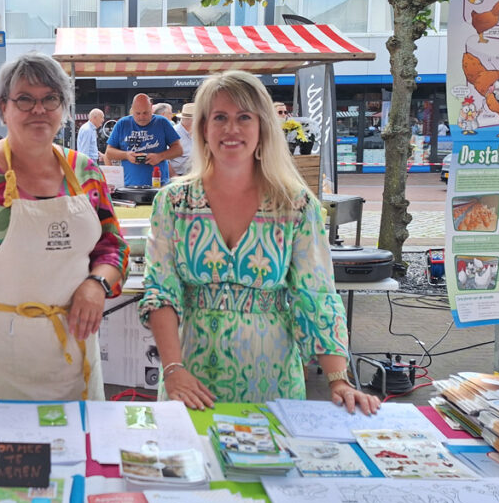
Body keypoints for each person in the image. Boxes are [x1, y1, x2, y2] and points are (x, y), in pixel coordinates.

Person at [140, 70, 378, 415]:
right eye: (219, 117)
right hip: (190, 379)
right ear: (203, 128)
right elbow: (160, 291)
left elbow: (316, 296)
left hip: (272, 382)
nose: (231, 129)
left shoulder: (295, 205)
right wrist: (173, 370)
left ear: (263, 127)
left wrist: (339, 380)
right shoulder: (174, 202)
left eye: (244, 118)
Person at [0, 52, 129, 401]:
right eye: (25, 99)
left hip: (73, 361)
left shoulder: (86, 173)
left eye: (50, 99)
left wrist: (96, 284)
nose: (39, 110)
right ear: (3, 107)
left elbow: (112, 248)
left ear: (63, 107)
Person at [105, 94, 182, 187]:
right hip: (129, 186)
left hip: (159, 186)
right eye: (138, 113)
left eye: (146, 113)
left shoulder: (162, 122)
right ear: (132, 110)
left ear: (151, 108)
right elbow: (109, 152)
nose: (142, 117)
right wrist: (126, 155)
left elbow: (178, 150)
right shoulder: (122, 124)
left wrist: (159, 156)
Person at [171, 103, 195, 177]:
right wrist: (174, 177)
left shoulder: (199, 132)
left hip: (194, 175)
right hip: (177, 175)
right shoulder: (173, 132)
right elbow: (165, 160)